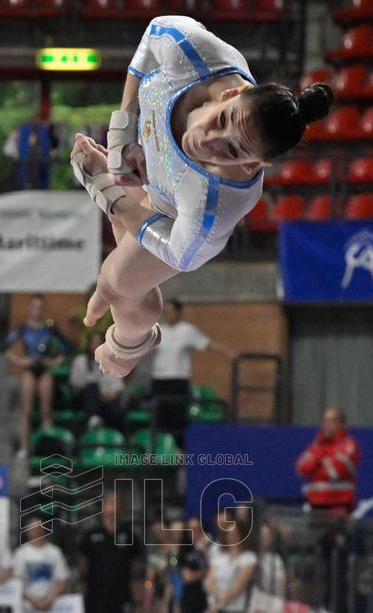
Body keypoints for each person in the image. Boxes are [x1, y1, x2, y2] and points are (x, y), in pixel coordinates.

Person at [70, 15, 333, 378]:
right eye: (224, 120)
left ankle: (128, 345)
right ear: (232, 94)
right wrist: (122, 134)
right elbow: (153, 34)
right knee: (122, 269)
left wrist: (104, 192)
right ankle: (127, 286)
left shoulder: (216, 204)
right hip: (153, 171)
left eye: (233, 151)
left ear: (256, 163)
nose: (208, 141)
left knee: (114, 283)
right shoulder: (197, 56)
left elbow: (180, 253)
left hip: (172, 215)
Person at [77, 491, 144, 613]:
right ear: (103, 507)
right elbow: (82, 561)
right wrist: (84, 585)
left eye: (116, 503)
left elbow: (138, 562)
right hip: (96, 593)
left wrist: (138, 588)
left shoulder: (128, 534)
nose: (112, 507)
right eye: (109, 503)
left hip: (121, 593)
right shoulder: (92, 534)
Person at [152, 299, 233, 437]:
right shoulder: (160, 330)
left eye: (171, 311)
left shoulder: (187, 330)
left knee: (176, 416)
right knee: (160, 417)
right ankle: (161, 445)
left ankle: (178, 445)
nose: (168, 314)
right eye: (166, 312)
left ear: (179, 312)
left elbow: (206, 344)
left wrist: (228, 352)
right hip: (159, 379)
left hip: (177, 380)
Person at [5, 293, 72, 460]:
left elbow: (67, 347)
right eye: (34, 307)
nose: (37, 310)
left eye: (40, 307)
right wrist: (20, 361)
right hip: (29, 369)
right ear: (30, 308)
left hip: (44, 370)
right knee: (26, 410)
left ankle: (47, 448)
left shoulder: (49, 328)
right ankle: (23, 447)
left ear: (43, 309)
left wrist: (54, 361)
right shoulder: (23, 328)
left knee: (45, 410)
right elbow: (6, 347)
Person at [295, 408, 361, 514]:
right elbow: (301, 469)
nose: (327, 425)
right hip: (315, 503)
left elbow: (336, 472)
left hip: (339, 504)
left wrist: (316, 464)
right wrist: (321, 460)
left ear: (341, 424)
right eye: (325, 421)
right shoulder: (316, 445)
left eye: (331, 421)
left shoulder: (349, 445)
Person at [69, 331, 126, 429]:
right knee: (92, 386)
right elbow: (75, 386)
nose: (96, 346)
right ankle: (93, 418)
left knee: (117, 409)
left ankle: (112, 434)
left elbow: (118, 387)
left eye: (99, 344)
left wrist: (111, 394)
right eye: (94, 343)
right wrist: (94, 393)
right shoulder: (80, 361)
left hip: (104, 400)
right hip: (83, 399)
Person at [257, 519, 287, 597]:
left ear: (271, 539)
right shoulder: (250, 556)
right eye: (261, 535)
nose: (263, 538)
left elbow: (282, 584)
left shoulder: (276, 559)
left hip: (269, 598)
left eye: (267, 536)